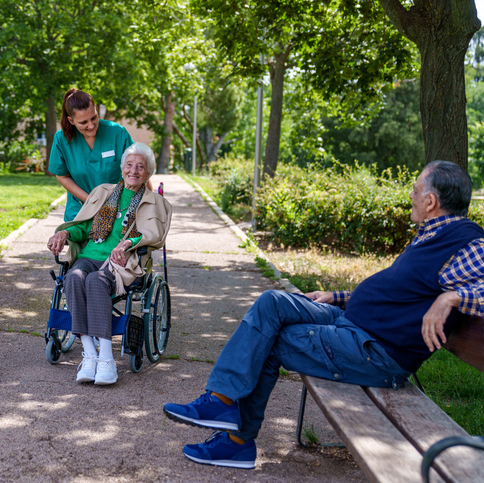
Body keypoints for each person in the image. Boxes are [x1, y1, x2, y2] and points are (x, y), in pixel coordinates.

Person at [163, 160, 484, 469]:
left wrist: (453, 297)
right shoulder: (431, 234)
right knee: (272, 301)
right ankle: (220, 401)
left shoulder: (465, 240)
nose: (410, 196)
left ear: (430, 201)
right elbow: (399, 295)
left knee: (274, 342)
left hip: (375, 353)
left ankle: (236, 441)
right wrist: (338, 296)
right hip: (354, 326)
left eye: (414, 190)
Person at [47, 142, 172, 385]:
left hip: (122, 263)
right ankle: (90, 355)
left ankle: (107, 360)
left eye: (140, 167)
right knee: (73, 277)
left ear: (148, 173)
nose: (133, 170)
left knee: (95, 281)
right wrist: (65, 234)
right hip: (88, 256)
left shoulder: (153, 201)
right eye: (129, 165)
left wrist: (127, 244)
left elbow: (153, 234)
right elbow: (83, 225)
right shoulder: (103, 192)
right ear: (122, 168)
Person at [48, 88, 148, 222]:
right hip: (80, 211)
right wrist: (92, 201)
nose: (91, 125)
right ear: (71, 121)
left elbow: (139, 170)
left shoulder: (117, 133)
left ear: (96, 109)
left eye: (93, 118)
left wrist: (149, 202)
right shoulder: (61, 139)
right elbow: (62, 176)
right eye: (83, 122)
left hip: (117, 211)